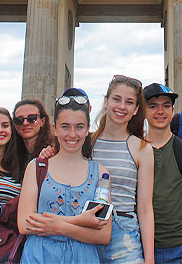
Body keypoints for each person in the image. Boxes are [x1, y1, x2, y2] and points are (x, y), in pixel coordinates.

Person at [18, 89, 112, 264]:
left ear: (87, 129)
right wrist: (78, 221)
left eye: (79, 127)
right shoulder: (37, 167)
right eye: (65, 126)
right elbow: (24, 223)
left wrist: (59, 226)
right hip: (39, 257)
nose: (72, 134)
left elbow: (104, 235)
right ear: (55, 129)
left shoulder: (101, 173)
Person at [92, 75, 154, 264]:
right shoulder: (87, 144)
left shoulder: (142, 149)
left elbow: (144, 208)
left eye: (129, 102)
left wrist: (149, 259)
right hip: (87, 232)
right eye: (116, 99)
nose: (121, 107)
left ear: (136, 110)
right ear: (106, 101)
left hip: (124, 233)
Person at [144, 82, 182, 264]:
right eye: (153, 106)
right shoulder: (135, 149)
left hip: (179, 248)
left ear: (173, 110)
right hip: (143, 246)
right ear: (143, 111)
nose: (160, 111)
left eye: (166, 106)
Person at [13, 99, 54, 179]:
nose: (25, 123)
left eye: (32, 118)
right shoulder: (11, 155)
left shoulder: (52, 151)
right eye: (19, 120)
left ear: (42, 121)